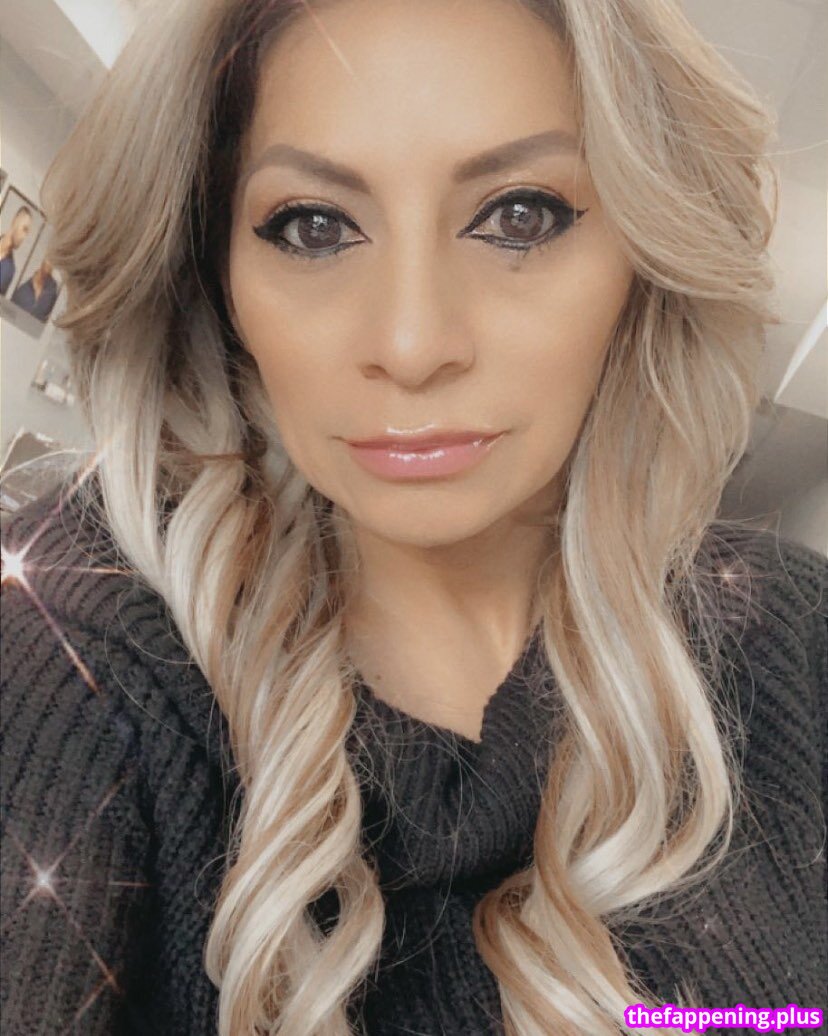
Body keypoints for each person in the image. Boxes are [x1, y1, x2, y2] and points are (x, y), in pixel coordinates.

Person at [0, 0, 825, 1034]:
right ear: (219, 277)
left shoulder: (789, 633)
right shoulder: (72, 647)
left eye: (519, 216)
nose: (412, 341)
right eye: (313, 226)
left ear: (643, 258)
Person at [10, 257, 60, 321]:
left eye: (48, 265)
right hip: (15, 317)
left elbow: (43, 310)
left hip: (31, 322)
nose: (45, 268)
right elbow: (15, 300)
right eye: (44, 264)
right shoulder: (27, 286)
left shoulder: (51, 289)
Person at [0, 205, 33, 295]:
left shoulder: (10, 270)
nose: (24, 237)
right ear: (15, 221)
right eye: (24, 229)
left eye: (27, 233)